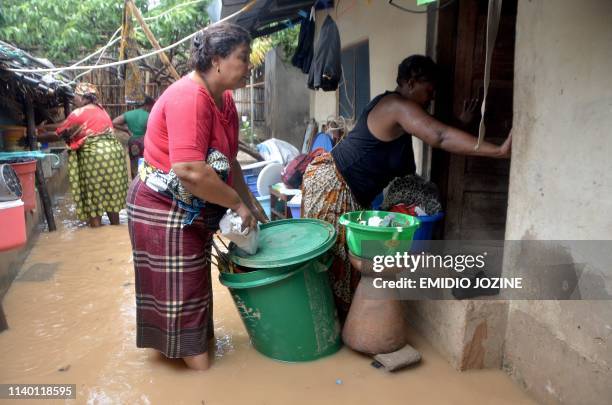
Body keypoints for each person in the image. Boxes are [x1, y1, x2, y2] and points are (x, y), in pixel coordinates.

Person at [302, 55, 512, 319]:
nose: (432, 97)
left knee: (348, 267)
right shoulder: (394, 106)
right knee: (331, 264)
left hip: (353, 193)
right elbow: (439, 135)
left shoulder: (403, 114)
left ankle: (343, 327)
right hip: (333, 185)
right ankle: (322, 326)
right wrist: (498, 151)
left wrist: (461, 123)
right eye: (429, 90)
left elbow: (435, 130)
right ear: (411, 82)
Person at [126, 23, 264, 371]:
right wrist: (235, 203)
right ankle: (200, 373)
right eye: (243, 58)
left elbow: (229, 160)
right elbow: (189, 170)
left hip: (191, 205)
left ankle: (185, 352)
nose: (249, 66)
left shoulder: (225, 100)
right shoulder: (190, 97)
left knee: (193, 289)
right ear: (217, 60)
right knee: (182, 290)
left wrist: (249, 202)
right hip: (163, 209)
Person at [37, 83, 128, 227]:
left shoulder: (78, 113)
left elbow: (59, 133)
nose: (74, 99)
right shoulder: (102, 110)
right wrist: (45, 127)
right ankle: (115, 226)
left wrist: (35, 136)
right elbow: (67, 124)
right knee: (111, 196)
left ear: (83, 98)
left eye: (76, 96)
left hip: (94, 157)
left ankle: (97, 234)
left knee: (93, 198)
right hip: (115, 157)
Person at [113, 96, 156, 178]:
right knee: (147, 164)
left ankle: (135, 182)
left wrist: (126, 130)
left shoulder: (129, 114)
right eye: (151, 107)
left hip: (133, 142)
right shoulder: (149, 115)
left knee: (134, 164)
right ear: (148, 105)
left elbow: (114, 122)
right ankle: (144, 183)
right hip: (145, 142)